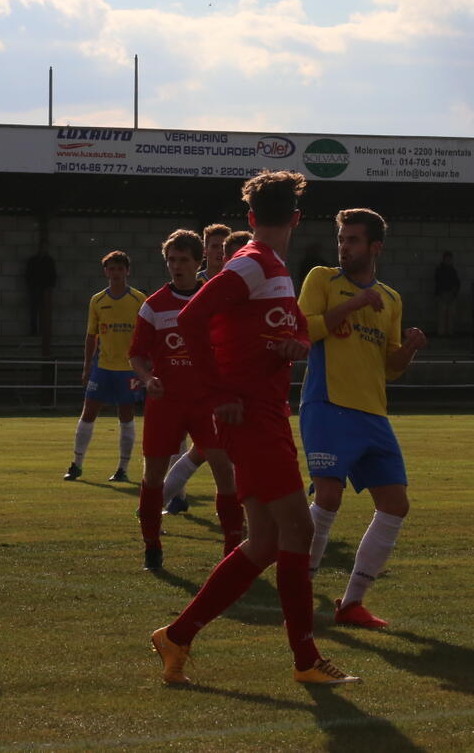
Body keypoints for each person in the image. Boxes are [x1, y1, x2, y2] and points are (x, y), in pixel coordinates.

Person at [150, 171, 359, 687]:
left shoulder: (273, 270)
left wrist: (292, 345)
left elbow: (284, 331)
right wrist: (220, 394)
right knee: (299, 531)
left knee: (264, 541)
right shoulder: (253, 262)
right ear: (296, 218)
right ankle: (306, 659)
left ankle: (177, 635)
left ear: (250, 217)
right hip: (251, 415)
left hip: (262, 410)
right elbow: (191, 317)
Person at [299, 208, 427, 629]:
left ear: (375, 248)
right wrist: (353, 304)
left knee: (395, 504)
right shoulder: (322, 279)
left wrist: (408, 349)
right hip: (328, 405)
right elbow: (304, 330)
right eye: (341, 239)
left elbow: (390, 367)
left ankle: (352, 603)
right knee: (329, 496)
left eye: (353, 240)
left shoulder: (391, 299)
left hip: (373, 412)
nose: (344, 247)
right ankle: (298, 592)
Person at [129, 229, 241, 569]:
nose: (176, 266)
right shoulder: (153, 306)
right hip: (166, 403)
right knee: (153, 476)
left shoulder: (214, 300)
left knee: (224, 470)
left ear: (198, 261)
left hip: (207, 402)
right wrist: (148, 379)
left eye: (183, 260)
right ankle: (152, 545)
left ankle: (232, 551)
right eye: (171, 260)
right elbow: (136, 355)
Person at [162, 223, 236, 514]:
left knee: (213, 449)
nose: (220, 252)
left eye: (224, 247)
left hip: (224, 375)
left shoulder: (238, 282)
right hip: (192, 376)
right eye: (215, 246)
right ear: (205, 251)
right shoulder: (194, 285)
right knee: (194, 445)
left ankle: (160, 501)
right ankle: (174, 498)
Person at [63, 251, 146, 483]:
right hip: (103, 367)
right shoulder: (97, 300)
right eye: (112, 269)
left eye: (120, 269)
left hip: (128, 368)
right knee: (88, 413)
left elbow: (147, 333)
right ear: (105, 272)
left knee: (126, 416)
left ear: (127, 271)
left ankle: (122, 468)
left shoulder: (139, 299)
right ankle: (76, 464)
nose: (116, 273)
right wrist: (87, 366)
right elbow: (92, 336)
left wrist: (145, 364)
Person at [24, 243, 57, 337]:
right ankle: (34, 332)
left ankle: (43, 331)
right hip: (35, 288)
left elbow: (53, 274)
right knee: (34, 311)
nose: (43, 250)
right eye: (42, 248)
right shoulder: (33, 260)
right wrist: (31, 286)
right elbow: (28, 274)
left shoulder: (48, 260)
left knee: (44, 311)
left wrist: (50, 287)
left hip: (45, 289)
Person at [433, 251, 459, 338]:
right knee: (441, 315)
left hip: (451, 295)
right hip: (442, 294)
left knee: (451, 315)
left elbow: (457, 283)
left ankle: (450, 332)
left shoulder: (453, 270)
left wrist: (454, 293)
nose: (448, 260)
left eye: (449, 259)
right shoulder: (439, 270)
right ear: (443, 259)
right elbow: (438, 282)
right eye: (447, 259)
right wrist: (439, 294)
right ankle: (441, 333)